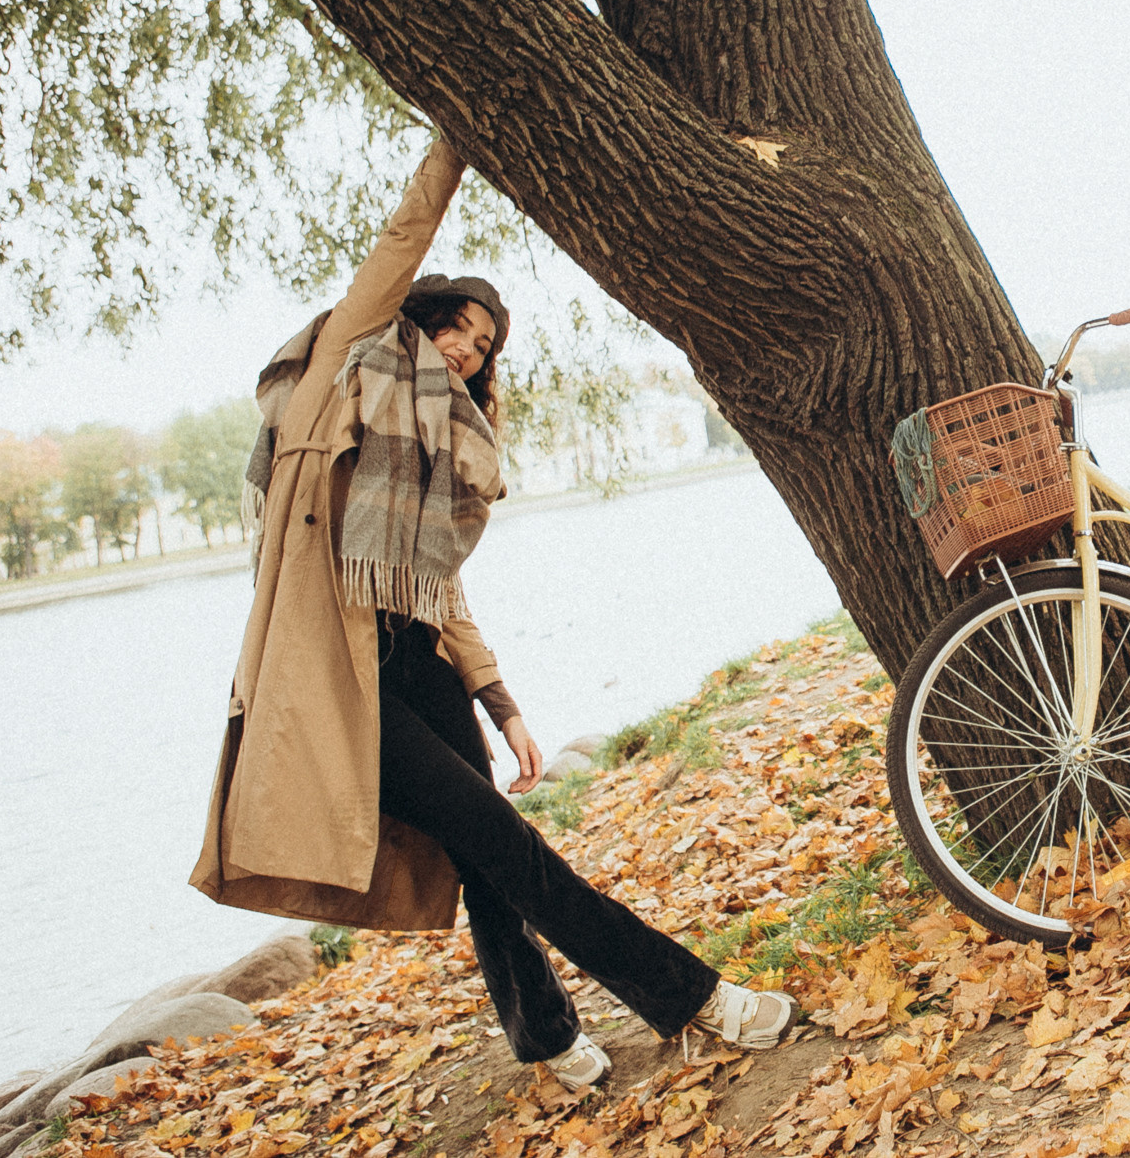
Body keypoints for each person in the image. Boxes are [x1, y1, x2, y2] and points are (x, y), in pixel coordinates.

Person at [189, 138, 792, 1085]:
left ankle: (546, 1037)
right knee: (508, 843)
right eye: (455, 330)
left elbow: (438, 590)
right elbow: (401, 236)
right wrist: (458, 136)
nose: (467, 352)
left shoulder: (431, 449)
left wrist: (501, 703)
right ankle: (693, 997)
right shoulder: (333, 381)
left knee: (486, 859)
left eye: (482, 347)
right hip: (341, 684)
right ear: (412, 316)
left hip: (418, 666)